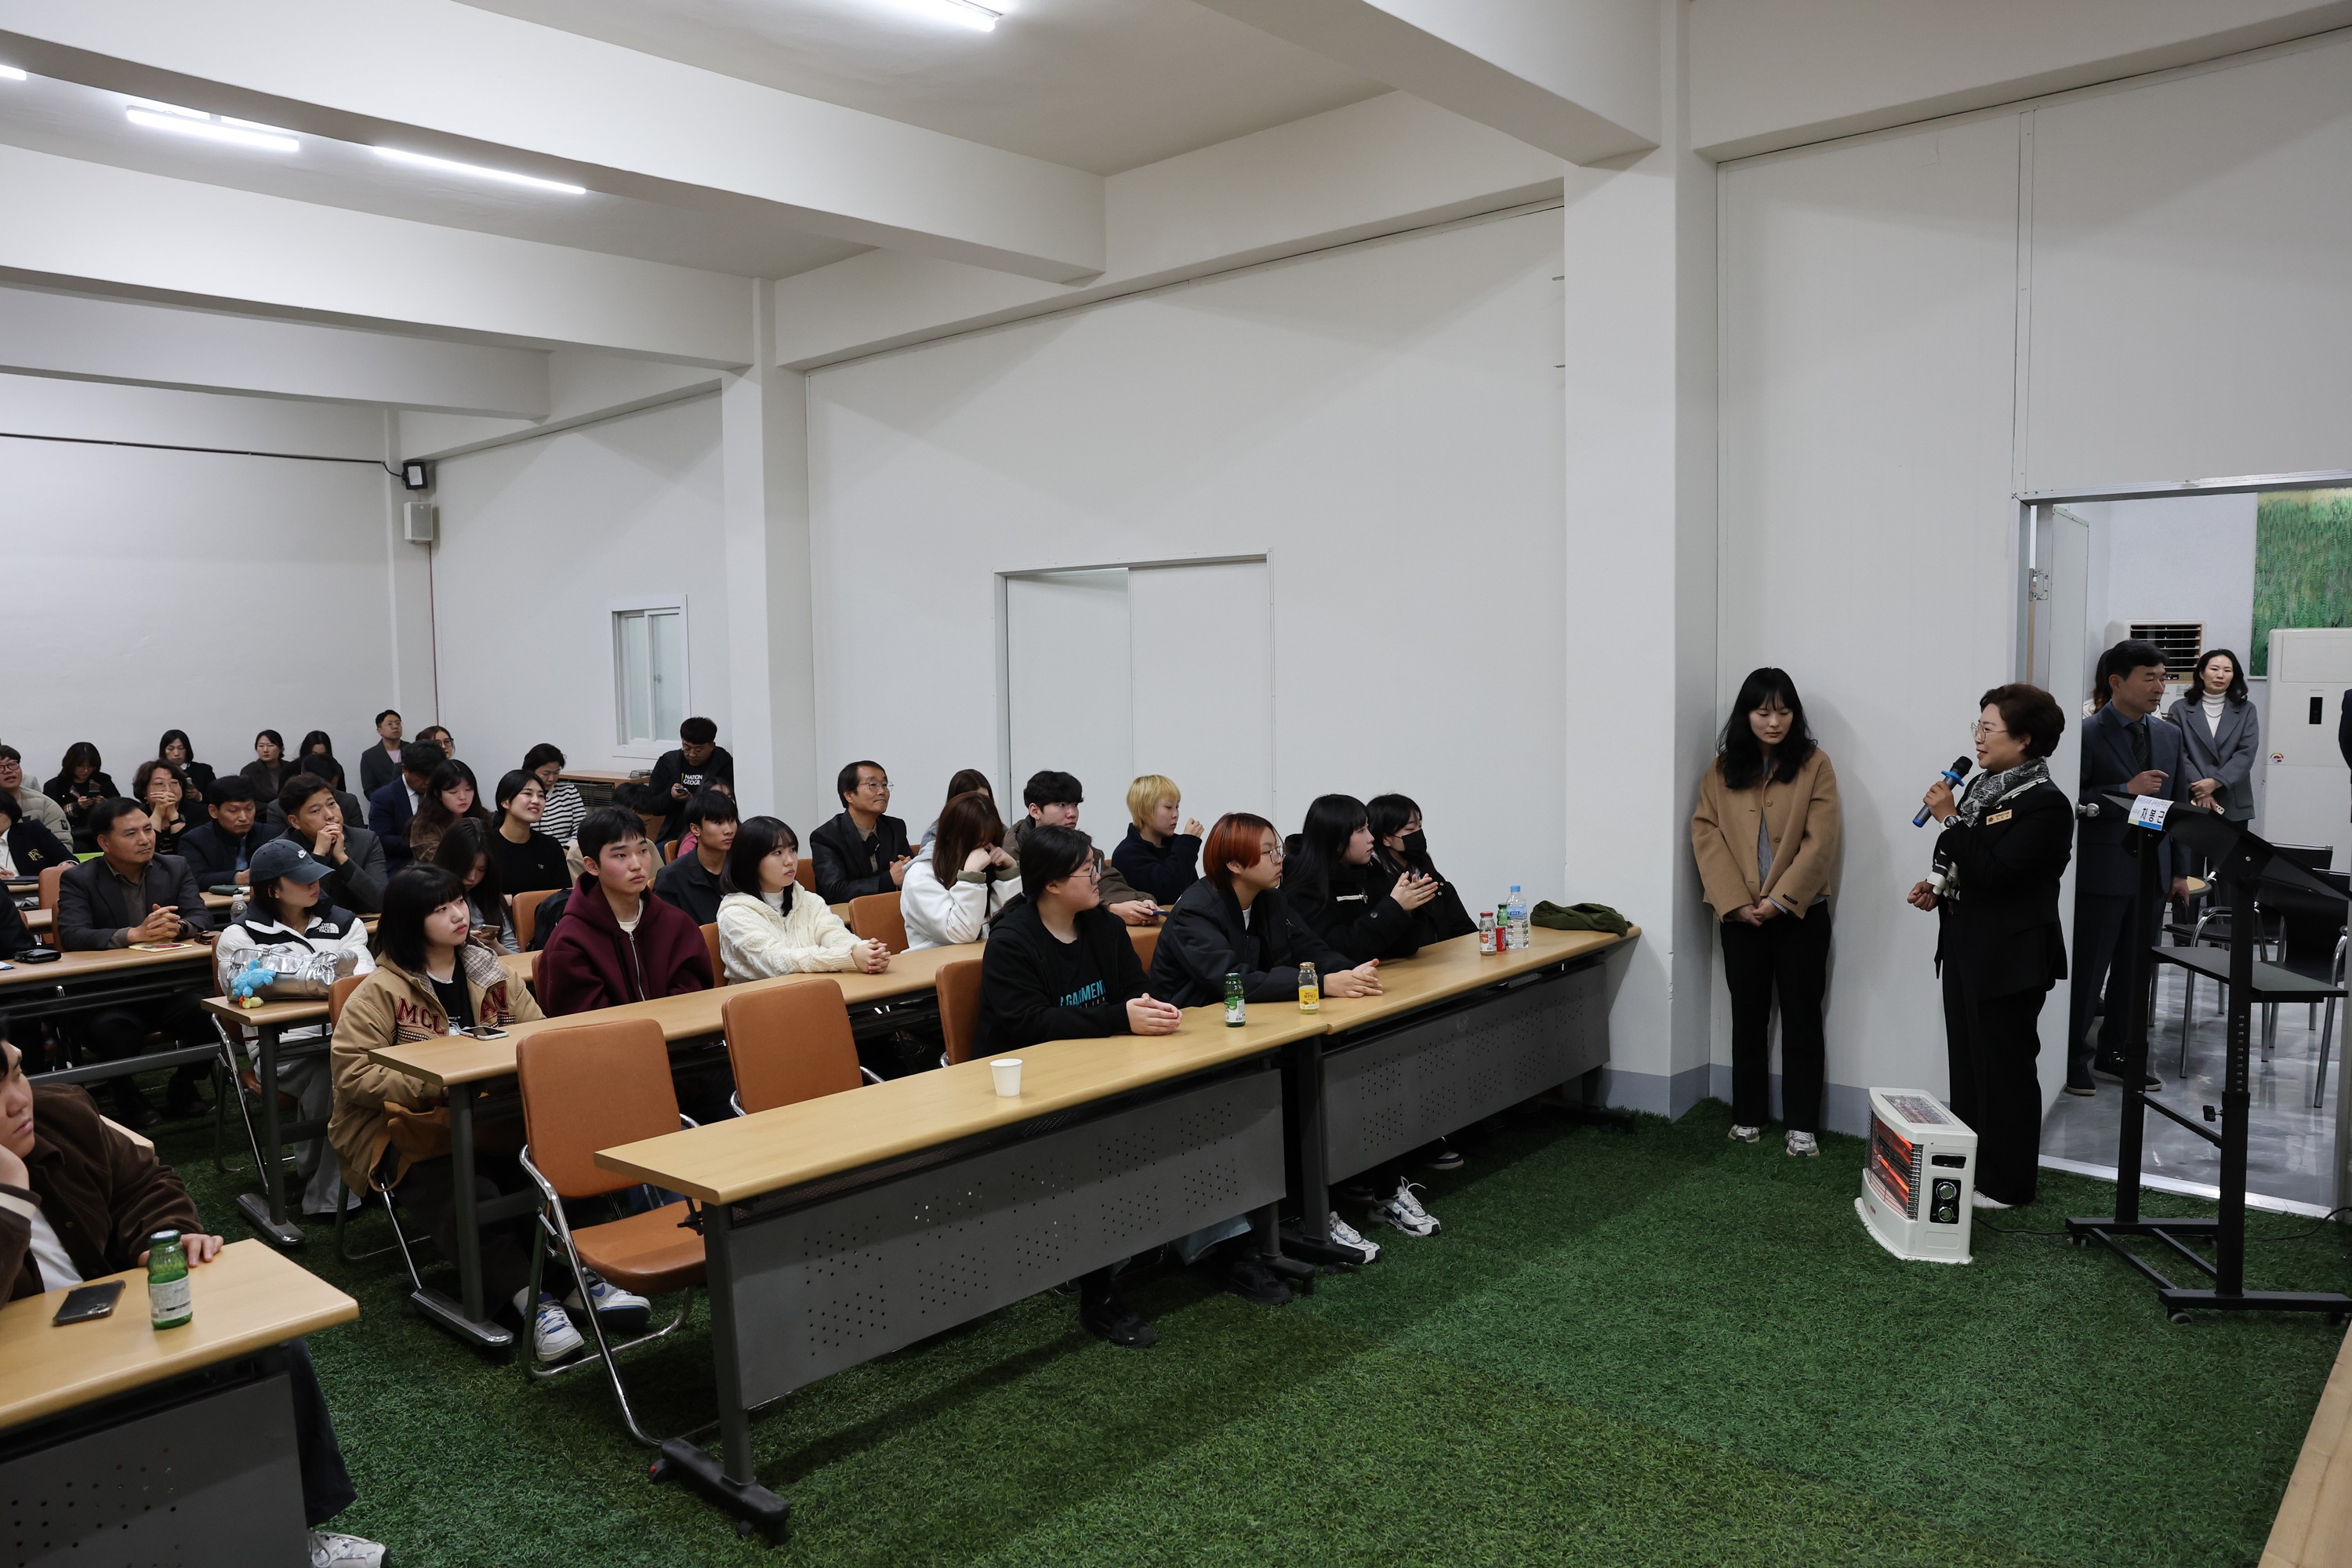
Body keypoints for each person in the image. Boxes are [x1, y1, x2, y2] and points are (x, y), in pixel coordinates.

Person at [0, 1034, 389, 1566]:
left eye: (17, 1073)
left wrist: (164, 1233)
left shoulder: (61, 1115)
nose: (18, 1098)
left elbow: (143, 1183)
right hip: (21, 1393)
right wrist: (9, 1199)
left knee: (275, 1352)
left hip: (120, 1337)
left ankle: (297, 1532)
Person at [331, 866, 646, 1364]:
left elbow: (539, 1039)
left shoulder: (489, 970)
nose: (459, 914)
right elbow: (352, 1076)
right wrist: (436, 1080)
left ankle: (578, 1278)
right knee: (471, 1189)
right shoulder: (379, 990)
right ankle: (530, 1300)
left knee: (546, 1167)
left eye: (458, 901)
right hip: (405, 1131)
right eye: (440, 909)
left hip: (489, 1120)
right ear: (410, 922)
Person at [1148, 815, 1411, 1245]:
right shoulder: (1196, 909)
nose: (1279, 858)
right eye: (1269, 851)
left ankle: (1343, 1190)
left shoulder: (1270, 898)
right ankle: (1296, 1213)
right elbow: (1234, 981)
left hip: (1253, 1028)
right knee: (1295, 1085)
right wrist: (1323, 984)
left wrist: (1350, 973)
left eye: (1278, 848)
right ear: (1234, 864)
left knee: (1345, 1061)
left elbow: (1310, 949)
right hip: (1195, 1038)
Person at [973, 825, 1182, 1347]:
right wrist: (1120, 1018)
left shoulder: (1102, 927)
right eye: (1087, 870)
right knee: (1097, 1142)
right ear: (1050, 885)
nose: (1099, 877)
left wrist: (1149, 1010)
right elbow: (1030, 1023)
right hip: (1029, 1092)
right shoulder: (1013, 940)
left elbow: (1133, 991)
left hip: (1098, 1072)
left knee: (1185, 1100)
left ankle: (1208, 1241)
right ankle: (1098, 1292)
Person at [1907, 684, 2073, 1210]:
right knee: (1969, 1065)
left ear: (2024, 740)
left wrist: (1949, 818)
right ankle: (1974, 1167)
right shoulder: (1985, 786)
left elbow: (1998, 872)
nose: (1977, 738)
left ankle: (2009, 1184)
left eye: (1988, 728)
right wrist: (1936, 887)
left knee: (2006, 1072)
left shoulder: (2046, 805)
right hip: (1965, 946)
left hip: (2011, 957)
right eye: (1976, 727)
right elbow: (1964, 857)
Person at [1690, 668, 1842, 1155]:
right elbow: (1705, 835)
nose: (1773, 722)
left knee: (1802, 1017)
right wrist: (1735, 903)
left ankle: (1802, 1124)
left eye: (1783, 711)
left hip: (1800, 915)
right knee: (1747, 1016)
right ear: (1746, 715)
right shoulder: (1721, 769)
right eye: (1762, 712)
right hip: (1740, 918)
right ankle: (1748, 1116)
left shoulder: (1815, 764)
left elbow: (1821, 843)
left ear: (1794, 714)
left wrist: (1779, 901)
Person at [214, 838, 374, 1217]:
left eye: (315, 876)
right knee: (338, 1074)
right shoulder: (239, 935)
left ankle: (328, 1181)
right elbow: (242, 984)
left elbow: (364, 977)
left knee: (348, 1067)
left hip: (341, 1037)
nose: (314, 884)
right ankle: (329, 1197)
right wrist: (325, 974)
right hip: (279, 1050)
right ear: (272, 889)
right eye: (301, 879)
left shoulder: (344, 922)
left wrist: (293, 977)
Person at [2070, 639, 2194, 1097]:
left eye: (2164, 677)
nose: (2160, 687)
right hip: (2103, 873)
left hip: (2153, 874)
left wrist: (2179, 873)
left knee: (2135, 972)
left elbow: (2177, 807)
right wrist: (2127, 788)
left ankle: (2117, 1053)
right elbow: (2073, 799)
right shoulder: (2085, 734)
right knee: (2088, 971)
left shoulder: (2168, 735)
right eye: (2150, 677)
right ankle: (2072, 1057)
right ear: (2116, 681)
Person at [55, 800, 216, 1127]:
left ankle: (184, 1084)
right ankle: (126, 1094)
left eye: (147, 829)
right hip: (111, 994)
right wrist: (134, 934)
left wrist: (180, 927)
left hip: (168, 987)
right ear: (104, 842)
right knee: (115, 1031)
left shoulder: (175, 866)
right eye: (131, 833)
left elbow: (200, 914)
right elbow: (72, 934)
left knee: (213, 1012)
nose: (145, 839)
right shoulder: (79, 879)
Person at [538, 808, 713, 1014]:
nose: (637, 865)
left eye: (642, 851)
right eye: (620, 855)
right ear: (592, 866)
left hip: (678, 1042)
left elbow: (694, 997)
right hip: (608, 1044)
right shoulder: (570, 939)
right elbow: (584, 1017)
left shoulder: (677, 924)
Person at [716, 816, 890, 982]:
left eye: (792, 850)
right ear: (750, 860)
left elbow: (832, 932)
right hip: (760, 1003)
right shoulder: (734, 913)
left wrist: (861, 950)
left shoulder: (806, 899)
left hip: (815, 992)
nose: (790, 860)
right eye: (777, 852)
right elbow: (777, 962)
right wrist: (848, 957)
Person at [1285, 793, 1432, 967]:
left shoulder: (1372, 873)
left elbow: (1403, 948)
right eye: (1361, 831)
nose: (1371, 838)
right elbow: (1341, 951)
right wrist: (1394, 908)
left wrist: (1406, 910)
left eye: (1368, 828)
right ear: (1336, 840)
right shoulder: (1304, 891)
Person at [1007, 771, 1156, 925]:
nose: (1072, 813)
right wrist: (1109, 909)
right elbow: (1041, 903)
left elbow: (1107, 882)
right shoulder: (1014, 851)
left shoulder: (1080, 846)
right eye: (1061, 805)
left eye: (1075, 805)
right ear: (1035, 811)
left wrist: (1140, 903)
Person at [900, 790, 1016, 949]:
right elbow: (961, 933)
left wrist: (1008, 875)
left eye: (989, 842)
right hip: (933, 965)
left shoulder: (987, 865)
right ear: (949, 836)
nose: (984, 851)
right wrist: (971, 878)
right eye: (976, 842)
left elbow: (1010, 926)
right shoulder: (920, 876)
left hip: (984, 959)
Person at [1367, 794, 1477, 942]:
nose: (1418, 833)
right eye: (1410, 829)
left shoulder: (1426, 871)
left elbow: (1463, 929)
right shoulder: (1376, 881)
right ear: (1386, 839)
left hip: (1444, 960)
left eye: (1420, 826)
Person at [2169, 648, 2259, 827]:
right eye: (2214, 669)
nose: (2220, 675)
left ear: (2234, 675)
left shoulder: (2246, 709)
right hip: (2192, 796)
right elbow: (2177, 752)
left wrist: (2216, 782)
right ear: (2201, 673)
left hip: (2232, 799)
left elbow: (2246, 752)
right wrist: (2202, 789)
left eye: (2227, 670)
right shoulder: (2179, 709)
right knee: (2188, 854)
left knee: (2228, 855)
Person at [279, 774, 390, 916]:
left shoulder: (366, 841)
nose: (330, 815)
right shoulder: (283, 850)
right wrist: (319, 856)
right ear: (295, 822)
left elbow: (382, 902)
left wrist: (343, 859)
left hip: (361, 931)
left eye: (332, 804)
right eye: (315, 811)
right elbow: (296, 911)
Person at [809, 760, 913, 902]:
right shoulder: (826, 836)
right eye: (873, 785)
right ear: (849, 795)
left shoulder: (895, 827)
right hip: (845, 920)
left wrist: (908, 872)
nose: (882, 791)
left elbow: (909, 872)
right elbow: (834, 890)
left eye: (884, 785)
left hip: (892, 911)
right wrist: (888, 879)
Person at [1111, 775, 1203, 906]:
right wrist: (1188, 843)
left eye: (1177, 807)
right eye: (1168, 807)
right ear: (1145, 810)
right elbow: (1169, 893)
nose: (1175, 814)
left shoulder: (1175, 845)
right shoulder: (1127, 854)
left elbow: (1194, 892)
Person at [653, 789, 739, 927]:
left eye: (731, 820)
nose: (729, 830)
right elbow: (667, 931)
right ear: (695, 829)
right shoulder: (671, 878)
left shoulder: (745, 867)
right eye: (718, 822)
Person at [179, 776, 283, 889]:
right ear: (213, 811)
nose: (243, 817)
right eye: (233, 811)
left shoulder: (273, 835)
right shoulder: (194, 840)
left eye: (249, 808)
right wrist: (237, 878)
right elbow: (194, 879)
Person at [432, 819, 518, 953]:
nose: (472, 877)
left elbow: (516, 956)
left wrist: (494, 946)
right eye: (467, 867)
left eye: (481, 869)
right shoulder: (426, 895)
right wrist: (461, 940)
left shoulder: (489, 897)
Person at [648, 717, 733, 843]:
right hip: (674, 834)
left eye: (698, 750)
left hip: (711, 834)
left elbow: (727, 806)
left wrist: (693, 800)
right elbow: (653, 806)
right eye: (686, 748)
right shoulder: (668, 762)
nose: (692, 754)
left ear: (712, 746)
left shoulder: (724, 764)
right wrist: (670, 796)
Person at [490, 770, 572, 894]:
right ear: (505, 802)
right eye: (528, 794)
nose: (536, 801)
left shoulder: (550, 846)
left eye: (541, 796)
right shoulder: (486, 844)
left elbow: (562, 895)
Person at [365, 739, 445, 865]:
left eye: (433, 777)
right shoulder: (384, 797)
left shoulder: (443, 791)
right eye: (422, 778)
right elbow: (383, 839)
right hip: (402, 863)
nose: (428, 783)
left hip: (443, 860)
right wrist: (423, 845)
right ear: (404, 769)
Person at [406, 758, 491, 866]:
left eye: (468, 789)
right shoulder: (423, 825)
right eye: (453, 792)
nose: (463, 797)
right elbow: (441, 862)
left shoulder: (485, 817)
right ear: (438, 794)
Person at [45, 742, 115, 852]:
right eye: (81, 767)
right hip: (73, 834)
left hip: (101, 831)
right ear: (71, 764)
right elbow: (51, 816)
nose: (86, 771)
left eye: (91, 767)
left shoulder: (103, 781)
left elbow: (119, 805)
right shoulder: (55, 785)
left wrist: (105, 804)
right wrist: (76, 807)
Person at [0, 744, 72, 841]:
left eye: (13, 764)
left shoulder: (45, 805)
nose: (8, 771)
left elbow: (63, 845)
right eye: (0, 767)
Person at [0, 789, 73, 882]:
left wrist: (66, 864)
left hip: (36, 892)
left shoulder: (32, 830)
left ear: (10, 811)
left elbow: (66, 858)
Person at [919, 768, 998, 852]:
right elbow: (931, 862)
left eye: (986, 800)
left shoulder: (998, 828)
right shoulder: (935, 835)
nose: (983, 806)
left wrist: (1012, 863)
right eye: (974, 802)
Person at [523, 743, 586, 847]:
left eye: (556, 772)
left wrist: (567, 849)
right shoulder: (521, 795)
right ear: (531, 770)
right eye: (546, 773)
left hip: (568, 855)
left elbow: (582, 827)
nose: (552, 778)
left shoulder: (569, 791)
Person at [130, 759, 191, 856]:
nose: (168, 789)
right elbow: (147, 855)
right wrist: (157, 814)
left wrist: (173, 816)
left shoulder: (200, 813)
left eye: (174, 783)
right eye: (159, 783)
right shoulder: (134, 816)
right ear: (144, 791)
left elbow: (188, 854)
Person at [156, 728, 217, 808]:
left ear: (187, 750)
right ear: (163, 751)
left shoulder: (204, 770)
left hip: (199, 815)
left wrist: (199, 796)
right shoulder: (156, 772)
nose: (176, 753)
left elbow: (217, 798)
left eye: (181, 748)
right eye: (171, 749)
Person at [359, 710, 404, 797]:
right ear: (379, 731)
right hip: (385, 805)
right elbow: (369, 790)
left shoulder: (412, 749)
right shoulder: (369, 756)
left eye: (398, 723)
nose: (395, 727)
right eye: (390, 724)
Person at [241, 730, 288, 800]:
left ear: (280, 748)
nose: (265, 750)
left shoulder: (291, 768)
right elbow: (247, 800)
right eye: (261, 746)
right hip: (263, 811)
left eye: (270, 745)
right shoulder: (249, 771)